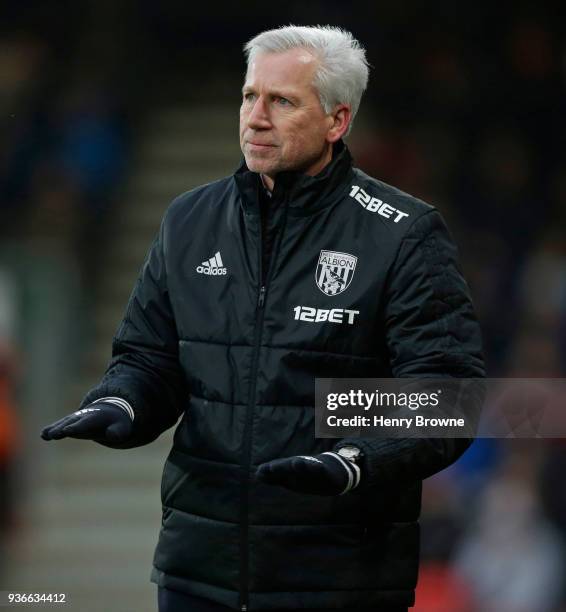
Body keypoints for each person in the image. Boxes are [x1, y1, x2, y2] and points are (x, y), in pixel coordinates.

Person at [41, 25, 485, 612]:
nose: (256, 117)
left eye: (282, 101)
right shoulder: (188, 219)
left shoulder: (402, 234)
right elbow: (148, 359)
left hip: (337, 579)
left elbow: (447, 394)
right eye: (250, 96)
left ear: (337, 121)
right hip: (197, 572)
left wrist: (352, 460)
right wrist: (121, 403)